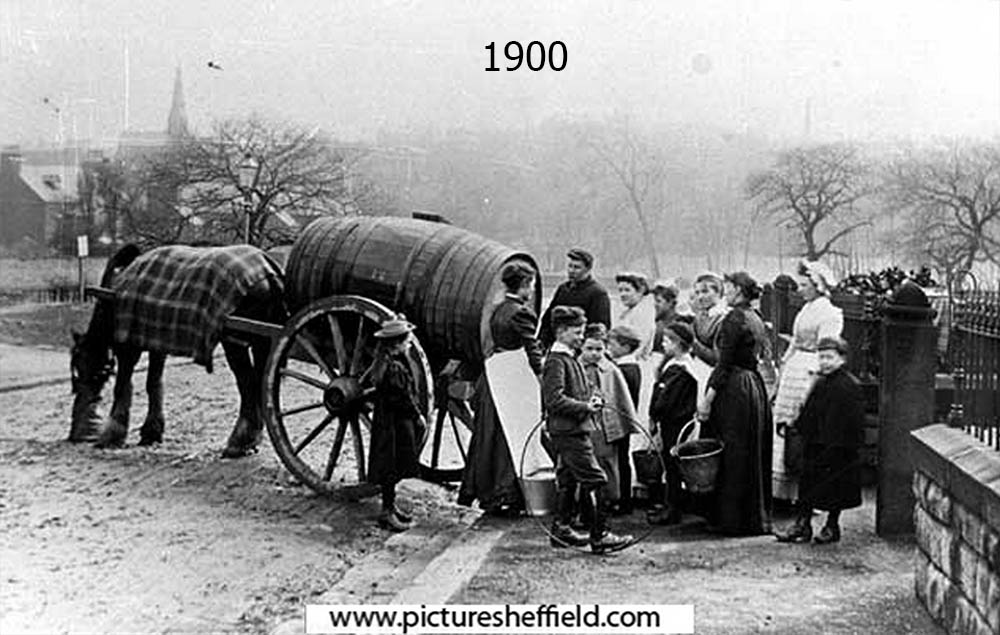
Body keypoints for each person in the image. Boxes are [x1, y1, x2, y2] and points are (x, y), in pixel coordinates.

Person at [543, 306, 633, 553]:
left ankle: (561, 529)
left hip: (573, 427)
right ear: (561, 331)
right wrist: (585, 406)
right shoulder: (556, 361)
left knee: (569, 479)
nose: (581, 337)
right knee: (595, 478)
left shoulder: (568, 357)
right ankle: (600, 535)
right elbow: (554, 400)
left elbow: (572, 392)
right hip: (569, 430)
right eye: (577, 332)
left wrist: (591, 399)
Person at [459, 261, 542, 515]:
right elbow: (532, 348)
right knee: (515, 432)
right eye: (531, 285)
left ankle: (487, 491)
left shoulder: (497, 309)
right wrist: (541, 374)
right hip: (515, 373)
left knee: (491, 431)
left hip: (496, 371)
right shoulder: (521, 312)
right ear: (526, 286)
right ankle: (507, 493)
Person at [697, 272, 773, 536]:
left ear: (739, 290)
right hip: (752, 388)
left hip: (734, 390)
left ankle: (730, 519)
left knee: (731, 453)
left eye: (728, 288)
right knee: (748, 451)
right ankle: (751, 518)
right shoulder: (755, 317)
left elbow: (724, 364)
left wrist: (707, 400)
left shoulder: (734, 318)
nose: (726, 292)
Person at [776, 336, 863, 545]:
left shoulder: (850, 386)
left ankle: (832, 526)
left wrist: (841, 444)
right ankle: (802, 525)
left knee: (836, 490)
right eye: (821, 357)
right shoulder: (820, 382)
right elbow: (809, 412)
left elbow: (853, 422)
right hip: (815, 443)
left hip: (838, 447)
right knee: (807, 485)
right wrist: (797, 426)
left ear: (841, 359)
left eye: (829, 357)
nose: (824, 362)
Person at [772, 260, 844, 503]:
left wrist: (815, 380)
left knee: (802, 429)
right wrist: (783, 366)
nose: (799, 289)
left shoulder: (830, 313)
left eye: (804, 285)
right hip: (794, 370)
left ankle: (803, 496)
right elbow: (794, 340)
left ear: (817, 285)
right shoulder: (806, 309)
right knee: (784, 426)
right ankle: (783, 492)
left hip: (809, 372)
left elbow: (826, 347)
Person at [368, 318, 427, 532]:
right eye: (407, 342)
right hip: (395, 425)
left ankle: (390, 508)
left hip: (388, 422)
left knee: (391, 468)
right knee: (390, 469)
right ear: (397, 344)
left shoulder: (385, 364)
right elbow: (404, 399)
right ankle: (386, 513)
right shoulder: (394, 369)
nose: (409, 345)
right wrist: (417, 416)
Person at [579, 323, 638, 514]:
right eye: (590, 349)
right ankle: (584, 507)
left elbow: (618, 397)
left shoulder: (610, 369)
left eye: (599, 349)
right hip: (582, 423)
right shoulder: (575, 367)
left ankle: (608, 502)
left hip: (604, 426)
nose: (595, 353)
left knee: (607, 463)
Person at [647, 322, 699, 526]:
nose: (663, 342)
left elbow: (666, 398)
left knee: (672, 466)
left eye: (667, 340)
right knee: (672, 465)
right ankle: (672, 505)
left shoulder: (680, 370)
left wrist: (655, 415)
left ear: (678, 343)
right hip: (676, 421)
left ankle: (673, 509)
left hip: (674, 423)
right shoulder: (678, 366)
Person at [539, 249, 612, 350]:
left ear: (588, 269)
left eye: (577, 267)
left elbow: (600, 328)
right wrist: (542, 343)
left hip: (581, 349)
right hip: (558, 346)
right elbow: (548, 319)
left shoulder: (598, 293)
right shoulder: (563, 289)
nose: (571, 271)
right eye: (570, 266)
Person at [607, 324, 643, 513]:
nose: (609, 348)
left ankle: (622, 500)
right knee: (621, 458)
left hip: (620, 420)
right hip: (625, 419)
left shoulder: (624, 369)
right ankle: (623, 499)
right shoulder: (631, 366)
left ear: (625, 347)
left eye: (612, 344)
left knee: (619, 460)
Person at [614, 272, 657, 360]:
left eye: (627, 290)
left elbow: (641, 343)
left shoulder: (643, 312)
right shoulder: (631, 310)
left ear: (641, 290)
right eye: (620, 290)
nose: (622, 294)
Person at [690, 272, 728, 367]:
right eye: (697, 293)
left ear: (718, 293)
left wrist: (691, 341)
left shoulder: (725, 319)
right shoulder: (699, 316)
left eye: (705, 291)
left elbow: (717, 359)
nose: (700, 297)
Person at [650, 281, 694, 357]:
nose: (654, 304)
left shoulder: (684, 324)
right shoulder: (655, 324)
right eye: (654, 301)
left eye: (658, 301)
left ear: (670, 303)